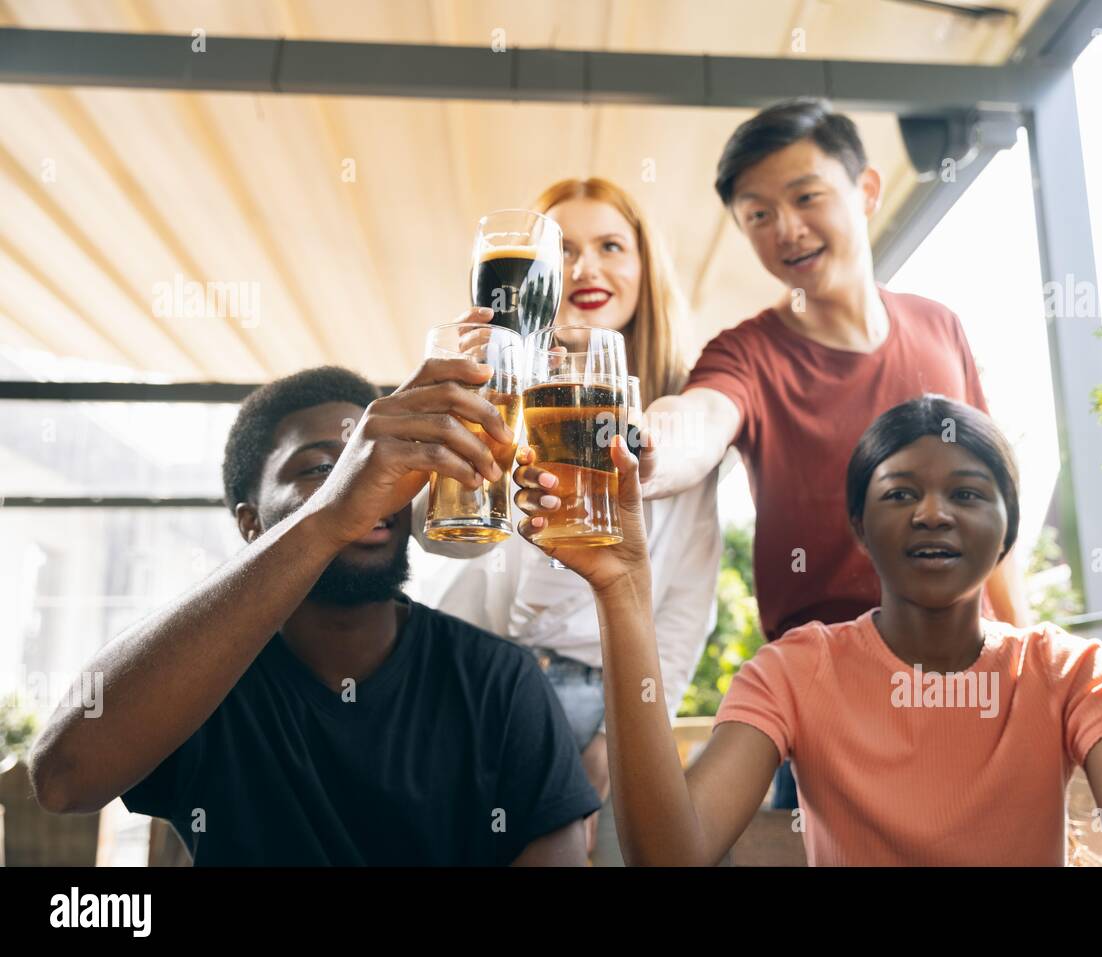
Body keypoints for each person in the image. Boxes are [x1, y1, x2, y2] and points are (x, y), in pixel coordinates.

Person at [510, 394, 1102, 866]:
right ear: (859, 527)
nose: (933, 513)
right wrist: (622, 587)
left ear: (1009, 530)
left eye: (967, 492)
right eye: (899, 492)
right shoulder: (795, 668)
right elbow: (670, 854)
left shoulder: (1073, 670)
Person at [28, 360, 599, 865]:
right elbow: (63, 781)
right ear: (252, 524)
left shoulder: (498, 681)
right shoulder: (202, 676)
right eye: (319, 468)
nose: (365, 484)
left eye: (372, 461)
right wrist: (330, 516)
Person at [635, 96, 1033, 807]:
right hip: (828, 698)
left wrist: (1028, 664)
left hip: (968, 682)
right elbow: (696, 421)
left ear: (867, 190)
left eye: (805, 196)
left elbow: (989, 514)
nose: (784, 228)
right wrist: (647, 442)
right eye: (757, 214)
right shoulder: (747, 351)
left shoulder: (941, 325)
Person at [413, 178, 722, 858]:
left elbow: (684, 612)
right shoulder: (495, 391)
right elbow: (446, 545)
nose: (585, 268)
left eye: (611, 245)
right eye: (564, 250)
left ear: (646, 267)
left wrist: (611, 748)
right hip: (482, 683)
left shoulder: (674, 426)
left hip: (610, 697)